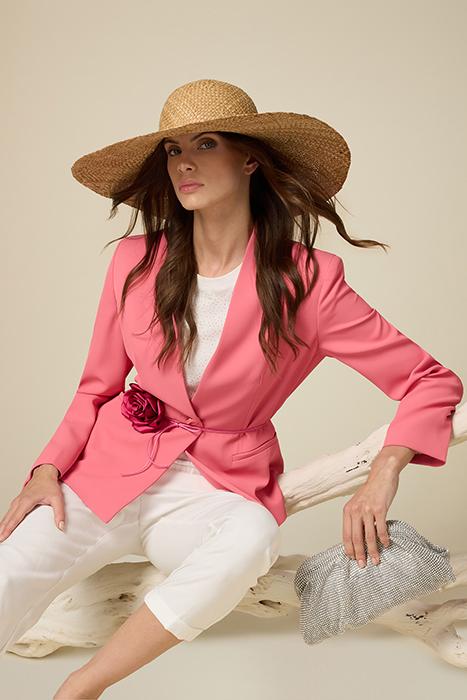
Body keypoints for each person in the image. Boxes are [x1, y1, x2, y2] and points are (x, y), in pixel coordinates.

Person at [0, 79, 463, 699]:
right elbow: (96, 387)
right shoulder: (134, 261)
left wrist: (384, 472)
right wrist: (46, 468)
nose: (183, 163)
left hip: (215, 489)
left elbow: (429, 380)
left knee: (251, 538)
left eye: (205, 144)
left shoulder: (309, 280)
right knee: (7, 573)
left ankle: (82, 688)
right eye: (172, 149)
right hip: (107, 473)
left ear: (249, 159)